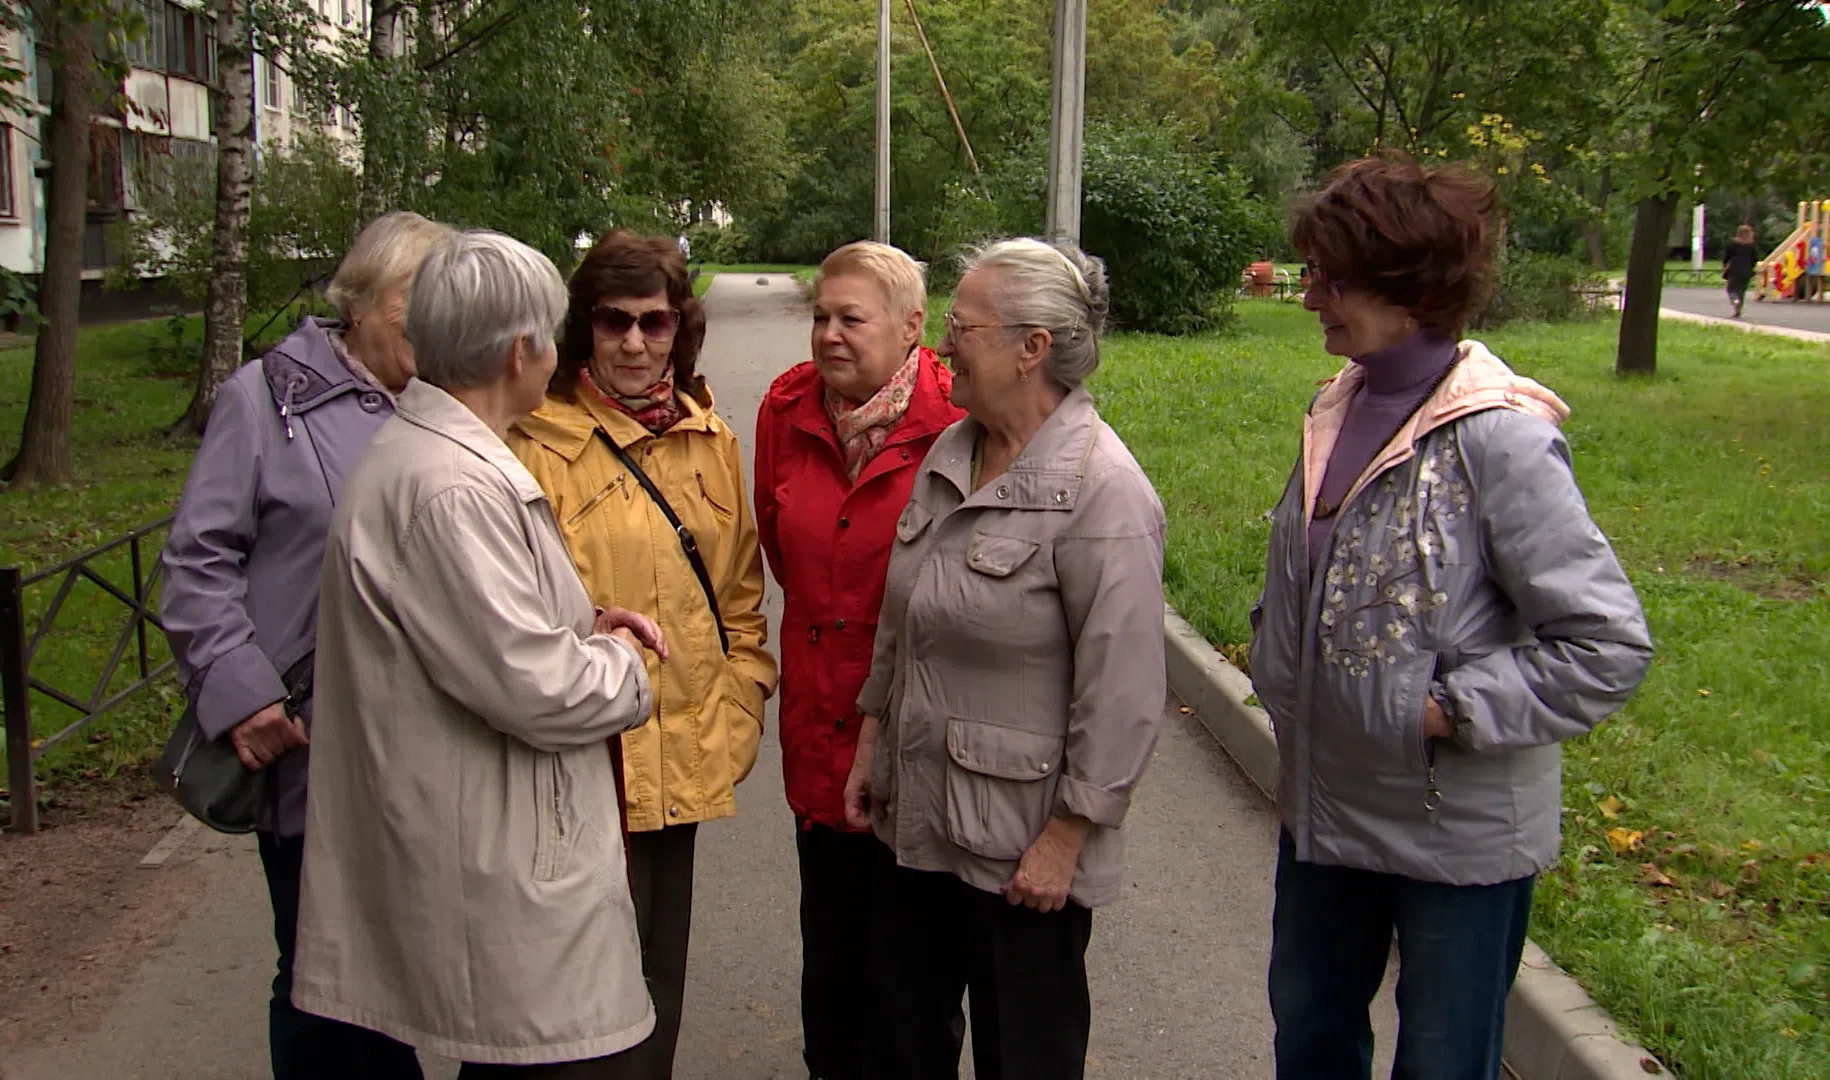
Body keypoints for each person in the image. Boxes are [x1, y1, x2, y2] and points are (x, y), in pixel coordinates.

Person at [1252, 155, 1654, 1080]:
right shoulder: (1336, 405)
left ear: (1409, 284)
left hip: (1456, 833)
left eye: (1332, 277)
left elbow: (1605, 645)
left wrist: (1442, 710)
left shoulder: (1501, 436)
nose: (1311, 296)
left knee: (1441, 1060)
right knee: (1309, 1035)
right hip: (1324, 807)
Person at [290, 229, 665, 1077]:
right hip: (497, 864)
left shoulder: (440, 459)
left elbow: (481, 629)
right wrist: (624, 666)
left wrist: (580, 624)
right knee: (540, 1058)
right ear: (522, 350)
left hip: (483, 843)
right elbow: (538, 687)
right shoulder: (450, 484)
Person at [841, 238, 1168, 1080]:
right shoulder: (952, 453)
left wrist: (1067, 838)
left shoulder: (1103, 490)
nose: (944, 346)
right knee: (899, 1043)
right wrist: (871, 741)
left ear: (1034, 349)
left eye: (964, 327)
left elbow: (1123, 693)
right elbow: (902, 615)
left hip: (1022, 854)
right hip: (917, 825)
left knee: (1026, 1054)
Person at [161, 210, 453, 1080]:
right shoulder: (267, 399)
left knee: (403, 963)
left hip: (426, 745)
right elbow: (196, 560)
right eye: (415, 299)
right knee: (324, 976)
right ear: (361, 301)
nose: (430, 321)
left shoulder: (443, 404)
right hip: (314, 746)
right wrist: (241, 690)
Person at [508, 230, 776, 1079]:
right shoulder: (529, 444)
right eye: (613, 321)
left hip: (684, 756)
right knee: (563, 996)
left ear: (679, 329)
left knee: (657, 985)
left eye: (653, 324)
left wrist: (740, 708)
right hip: (572, 769)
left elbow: (740, 597)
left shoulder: (711, 440)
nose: (633, 343)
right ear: (581, 328)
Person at [752, 240, 964, 1080]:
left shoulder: (955, 426)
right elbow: (781, 555)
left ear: (913, 328)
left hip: (915, 747)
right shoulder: (786, 410)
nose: (829, 335)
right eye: (819, 317)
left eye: (852, 318)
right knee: (832, 981)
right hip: (817, 728)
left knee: (911, 997)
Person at [1723, 223, 1758, 318]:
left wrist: (1725, 264)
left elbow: (1727, 256)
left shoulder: (1733, 244)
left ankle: (1735, 301)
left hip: (1734, 269)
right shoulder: (1751, 245)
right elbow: (1755, 258)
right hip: (1746, 271)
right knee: (1742, 291)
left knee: (1731, 289)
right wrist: (1751, 267)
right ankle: (1738, 310)